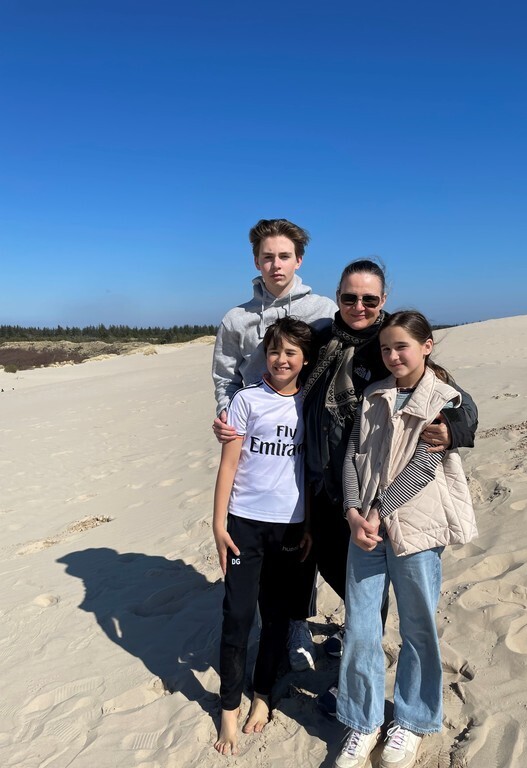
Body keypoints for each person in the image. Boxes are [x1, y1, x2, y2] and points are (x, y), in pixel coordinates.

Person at [302, 259, 477, 716]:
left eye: (369, 299)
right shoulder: (321, 339)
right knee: (338, 574)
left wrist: (454, 429)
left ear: (383, 301)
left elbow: (455, 403)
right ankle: (358, 658)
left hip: (376, 493)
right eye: (349, 297)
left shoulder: (391, 344)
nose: (358, 306)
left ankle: (379, 695)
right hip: (328, 482)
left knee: (381, 598)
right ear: (337, 297)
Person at [332, 310, 478, 768]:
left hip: (416, 528)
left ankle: (413, 721)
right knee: (360, 627)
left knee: (418, 628)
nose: (393, 356)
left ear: (427, 346)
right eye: (386, 348)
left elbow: (425, 464)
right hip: (366, 532)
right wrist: (353, 513)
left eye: (403, 347)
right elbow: (354, 456)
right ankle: (363, 720)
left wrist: (378, 511)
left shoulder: (444, 399)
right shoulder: (374, 394)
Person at [212, 218, 337, 672]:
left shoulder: (324, 309)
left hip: (309, 435)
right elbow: (225, 375)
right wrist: (227, 417)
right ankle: (262, 616)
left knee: (300, 526)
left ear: (298, 260)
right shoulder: (236, 319)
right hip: (253, 436)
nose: (275, 263)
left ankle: (297, 620)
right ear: (256, 261)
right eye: (267, 256)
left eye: (284, 255)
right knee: (252, 520)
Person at [213, 317, 314, 756]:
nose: (281, 360)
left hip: (290, 525)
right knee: (237, 615)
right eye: (274, 352)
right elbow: (229, 465)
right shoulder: (246, 401)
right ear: (264, 356)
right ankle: (228, 708)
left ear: (304, 359)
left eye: (291, 352)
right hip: (244, 522)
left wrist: (309, 524)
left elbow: (310, 469)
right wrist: (218, 524)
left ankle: (262, 695)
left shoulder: (309, 406)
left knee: (275, 616)